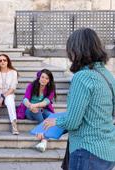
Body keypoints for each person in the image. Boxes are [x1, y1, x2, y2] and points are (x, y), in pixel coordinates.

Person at [43, 28, 115, 170]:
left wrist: (55, 121)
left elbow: (72, 121)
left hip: (87, 151)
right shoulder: (107, 74)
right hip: (108, 150)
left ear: (76, 50)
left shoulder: (82, 77)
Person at [22, 69, 56, 152]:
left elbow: (46, 102)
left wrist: (35, 105)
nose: (44, 79)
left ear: (49, 80)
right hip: (29, 110)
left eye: (47, 78)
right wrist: (30, 106)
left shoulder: (50, 89)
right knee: (37, 111)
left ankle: (43, 139)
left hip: (41, 109)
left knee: (52, 117)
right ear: (39, 77)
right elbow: (25, 99)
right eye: (42, 77)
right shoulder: (31, 85)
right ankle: (44, 139)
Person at [0, 54, 19, 135]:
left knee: (9, 101)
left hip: (8, 93)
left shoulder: (13, 72)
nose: (2, 62)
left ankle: (14, 123)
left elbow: (13, 88)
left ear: (7, 61)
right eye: (0, 60)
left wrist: (2, 98)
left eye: (4, 60)